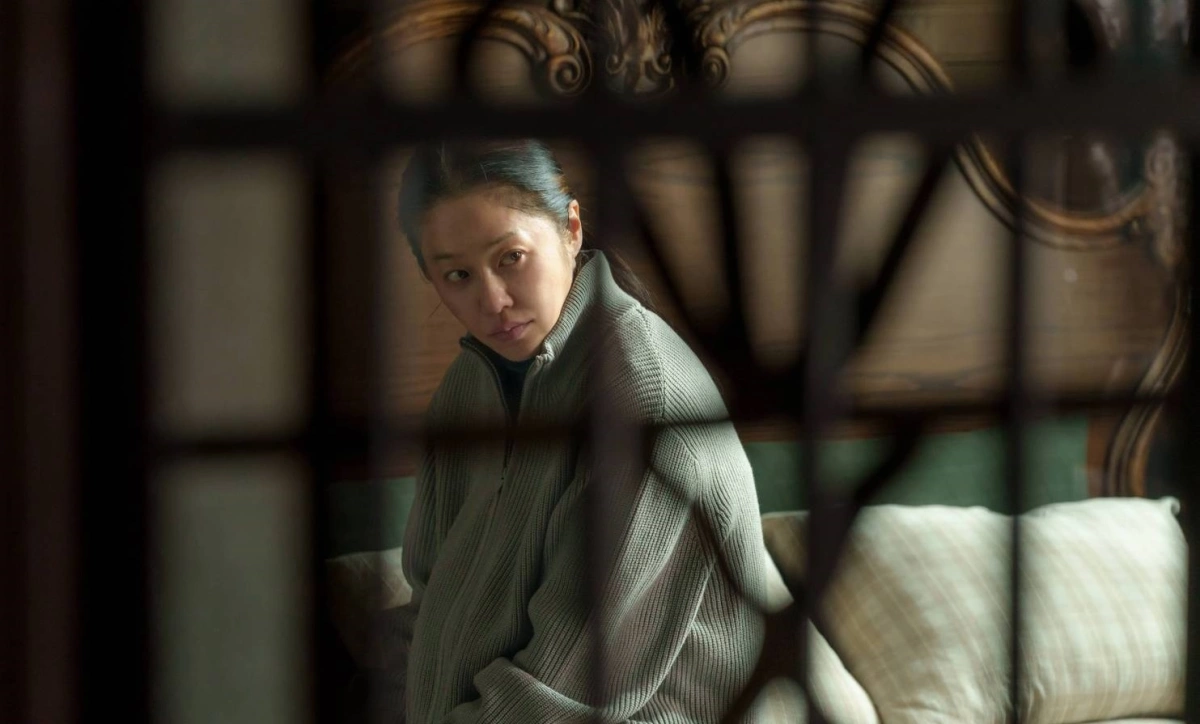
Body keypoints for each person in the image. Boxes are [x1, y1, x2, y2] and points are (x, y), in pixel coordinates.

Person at [388, 139, 767, 723]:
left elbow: (566, 692)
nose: (493, 300)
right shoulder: (468, 386)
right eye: (457, 274)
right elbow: (430, 602)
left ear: (570, 228)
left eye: (511, 257)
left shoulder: (645, 402)